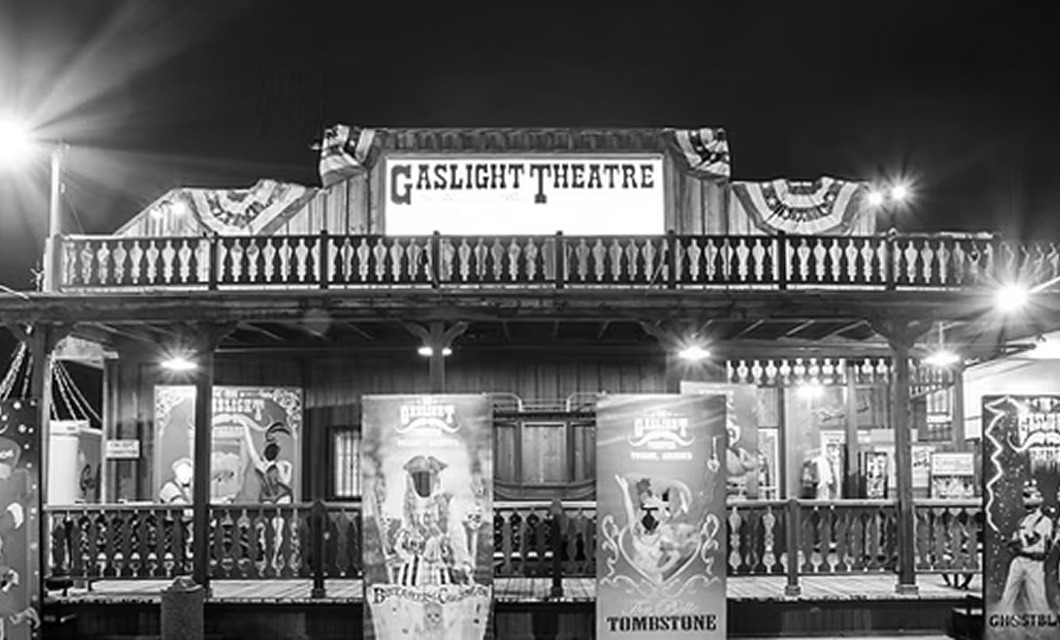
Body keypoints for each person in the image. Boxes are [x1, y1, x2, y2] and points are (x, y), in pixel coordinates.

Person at [998, 499, 1056, 614]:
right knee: (1008, 593)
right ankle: (1002, 615)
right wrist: (1009, 541)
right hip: (1019, 560)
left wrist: (1014, 543)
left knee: (1037, 596)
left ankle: (1043, 620)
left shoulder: (1045, 521)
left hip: (1035, 562)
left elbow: (1033, 539)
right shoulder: (1023, 520)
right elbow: (1017, 537)